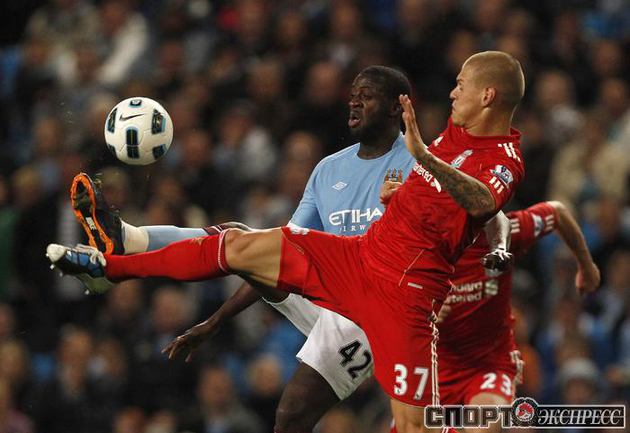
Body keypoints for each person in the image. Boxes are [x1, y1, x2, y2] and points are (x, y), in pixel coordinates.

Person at [48, 51, 527, 433]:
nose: (353, 104)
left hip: (392, 304)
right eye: (352, 95)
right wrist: (216, 320)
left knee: (376, 420)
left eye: (365, 97)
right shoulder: (334, 167)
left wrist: (430, 169)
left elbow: (488, 206)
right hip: (351, 265)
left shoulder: (466, 154)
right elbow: (294, 240)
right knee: (241, 242)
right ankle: (120, 257)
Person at [380, 198, 600, 433]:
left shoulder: (506, 232)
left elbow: (558, 213)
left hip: (490, 366)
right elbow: (384, 307)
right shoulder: (417, 249)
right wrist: (420, 312)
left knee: (483, 425)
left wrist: (586, 266)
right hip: (433, 371)